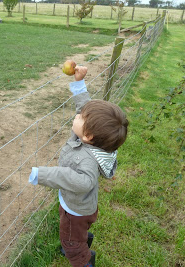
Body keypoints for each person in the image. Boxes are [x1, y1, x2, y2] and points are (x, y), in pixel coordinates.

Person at [28, 64, 129, 267]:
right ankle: (80, 241)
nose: (77, 115)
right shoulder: (93, 138)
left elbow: (82, 182)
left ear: (88, 135)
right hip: (80, 207)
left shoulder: (87, 159)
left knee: (72, 242)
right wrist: (79, 82)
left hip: (76, 211)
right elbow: (84, 106)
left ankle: (81, 257)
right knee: (74, 234)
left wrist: (43, 174)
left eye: (80, 117)